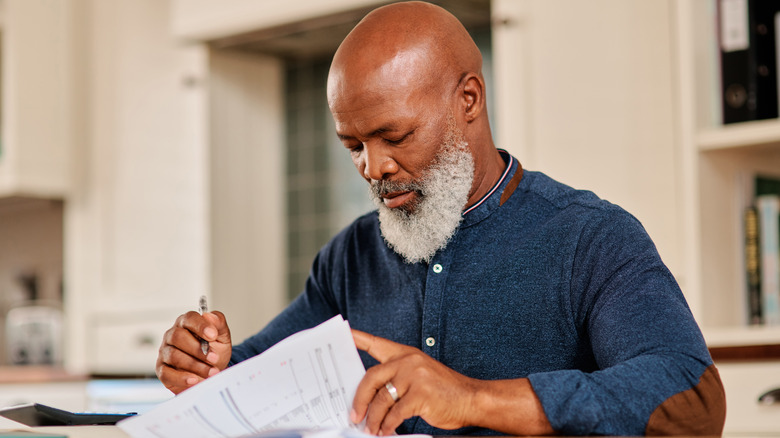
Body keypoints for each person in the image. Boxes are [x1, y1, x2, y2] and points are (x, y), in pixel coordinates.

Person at [156, 2, 726, 435]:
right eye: (353, 145)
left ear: (470, 100)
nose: (373, 168)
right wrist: (210, 367)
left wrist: (473, 398)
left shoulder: (590, 237)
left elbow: (693, 395)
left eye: (394, 136)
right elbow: (264, 371)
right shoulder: (350, 258)